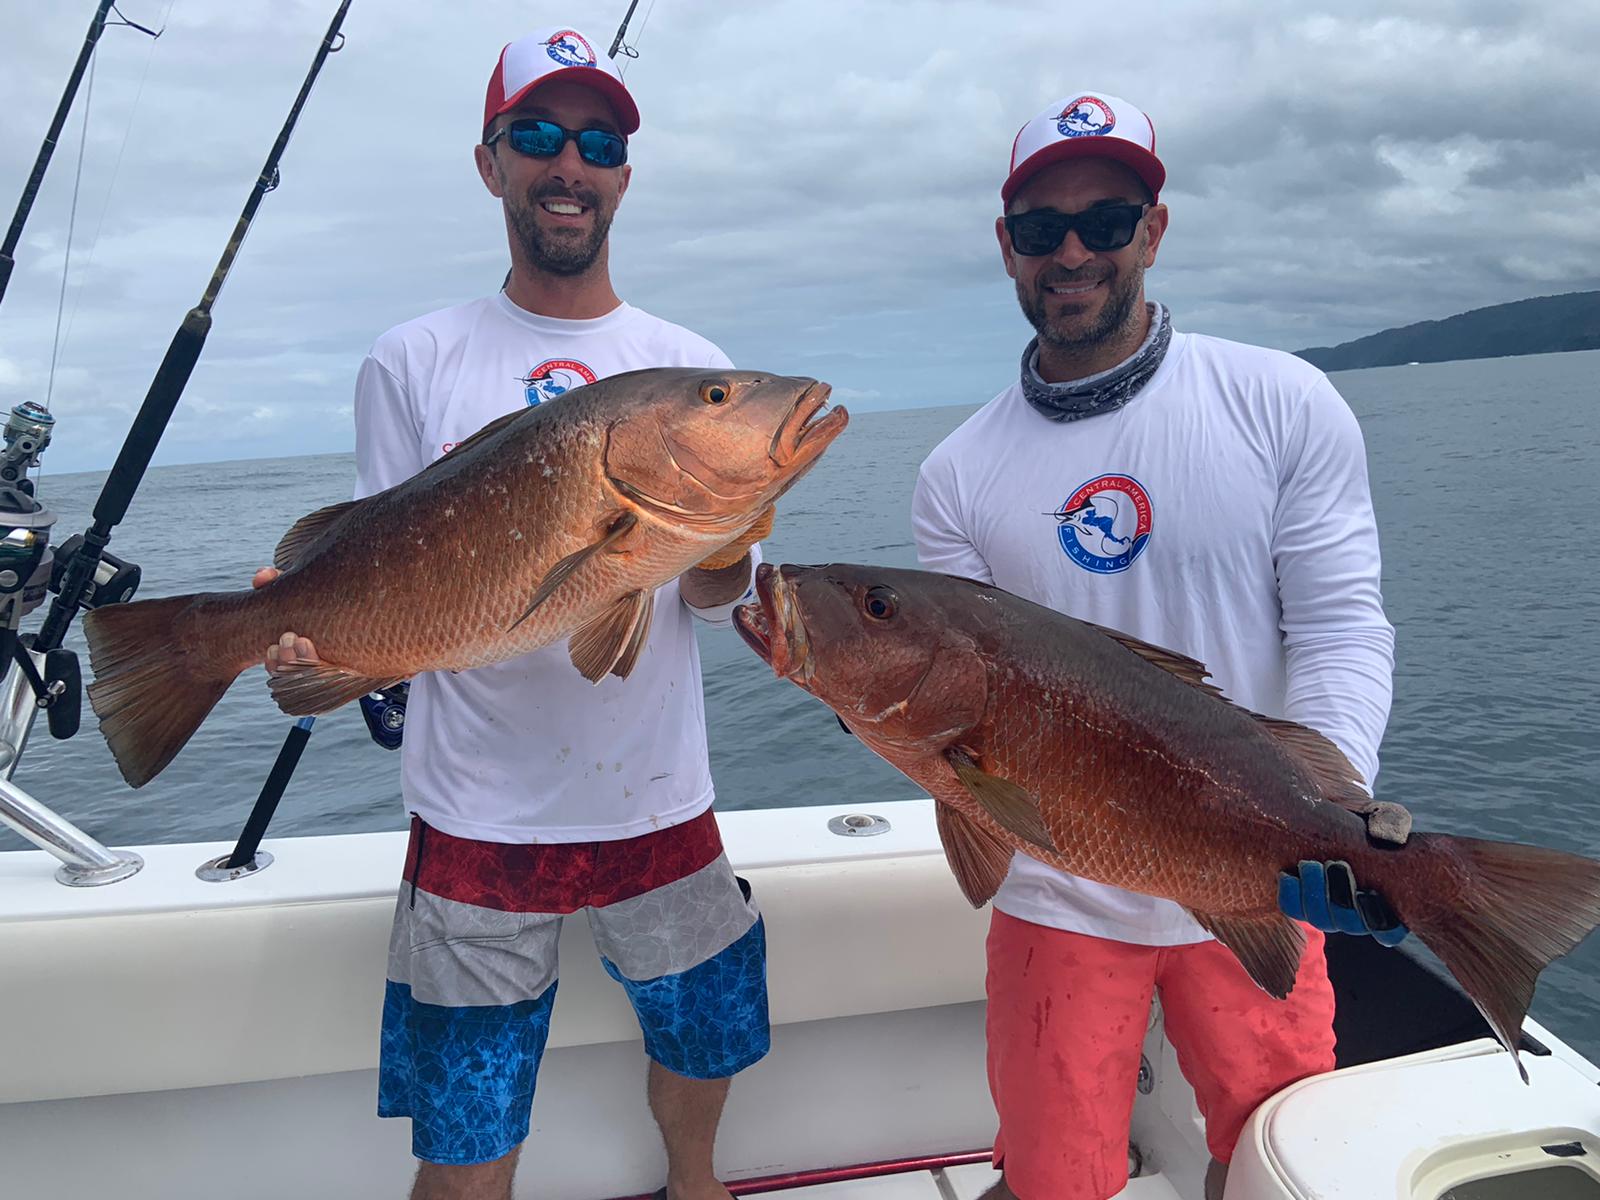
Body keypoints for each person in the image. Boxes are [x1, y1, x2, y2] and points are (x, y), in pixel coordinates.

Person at [253, 27, 767, 1200]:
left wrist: (725, 546)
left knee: (707, 1040)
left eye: (597, 142)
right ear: (491, 163)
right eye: (537, 136)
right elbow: (379, 559)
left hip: (658, 794)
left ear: (625, 175)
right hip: (476, 813)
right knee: (467, 1124)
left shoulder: (683, 360)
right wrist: (317, 646)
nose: (568, 164)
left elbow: (711, 594)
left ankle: (694, 1185)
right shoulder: (412, 358)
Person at [911, 91, 1406, 1200]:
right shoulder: (956, 472)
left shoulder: (1281, 400)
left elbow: (1338, 623)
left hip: (1251, 867)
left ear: (1155, 229)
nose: (1074, 250)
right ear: (1006, 248)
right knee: (1051, 1177)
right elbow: (962, 697)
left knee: (1284, 1155)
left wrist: (1331, 804)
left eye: (1108, 218)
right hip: (1057, 894)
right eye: (1042, 228)